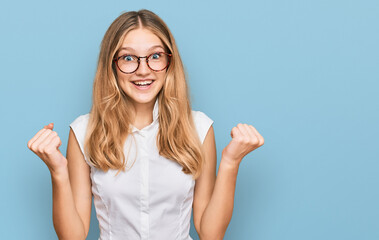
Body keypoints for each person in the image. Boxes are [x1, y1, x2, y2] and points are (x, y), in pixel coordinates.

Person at [27, 9, 264, 240]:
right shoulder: (83, 131)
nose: (143, 70)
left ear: (170, 62)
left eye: (155, 56)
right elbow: (73, 236)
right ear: (112, 65)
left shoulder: (199, 128)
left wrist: (231, 162)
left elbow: (211, 234)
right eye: (128, 58)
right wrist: (58, 171)